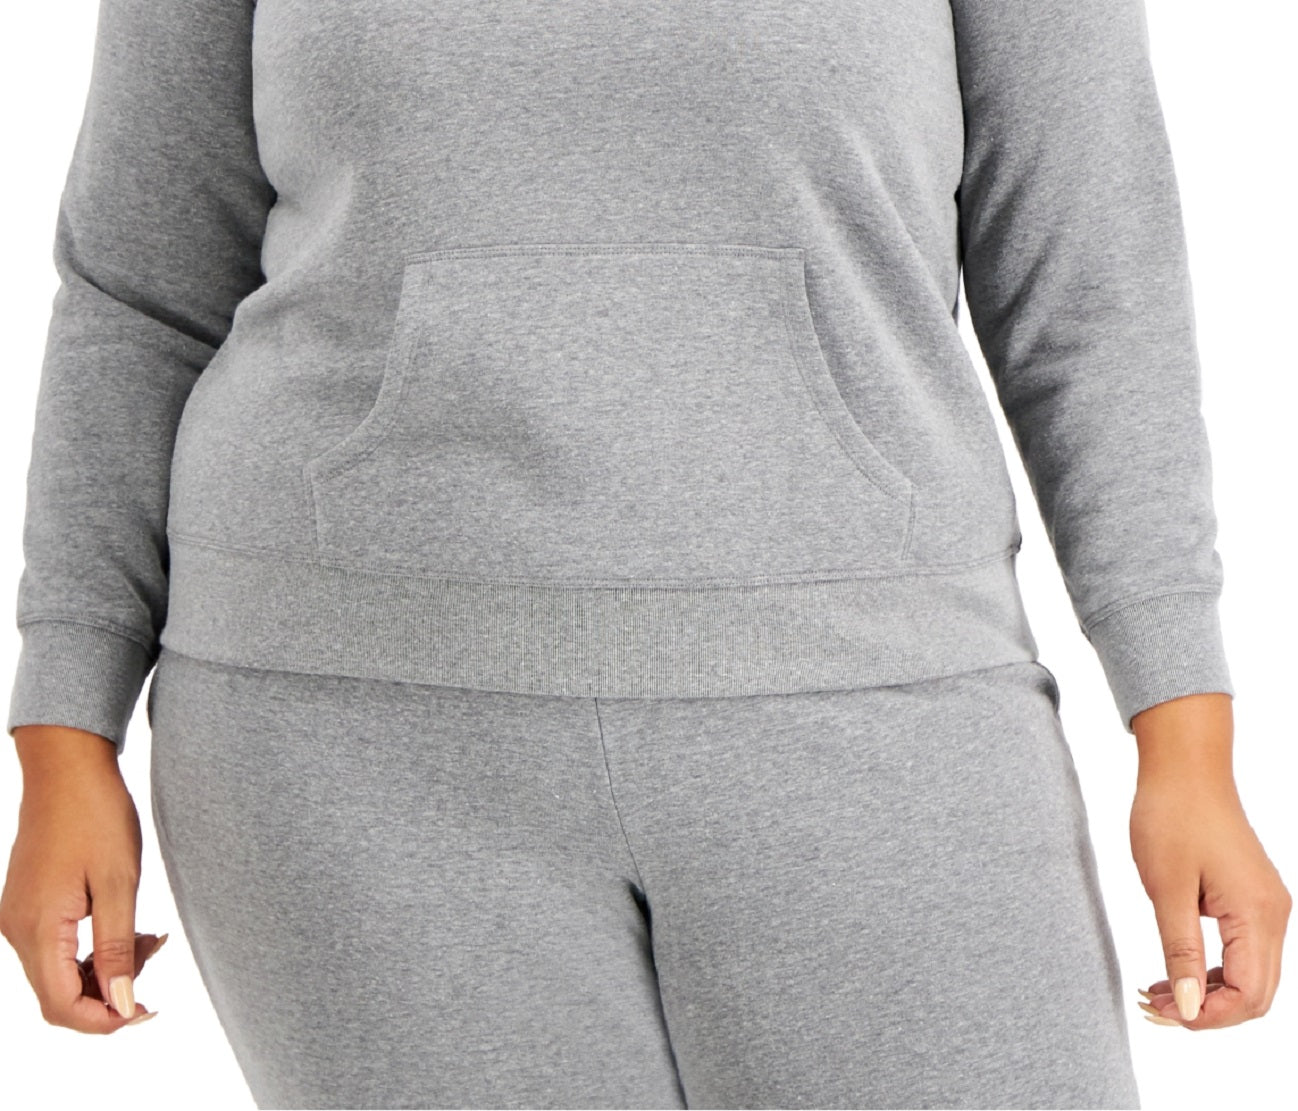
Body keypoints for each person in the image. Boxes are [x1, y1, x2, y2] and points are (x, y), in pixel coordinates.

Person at [0, 1, 1289, 1108]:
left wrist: (1182, 731)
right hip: (347, 742)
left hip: (876, 698)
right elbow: (139, 295)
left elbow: (1090, 299)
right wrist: (66, 735)